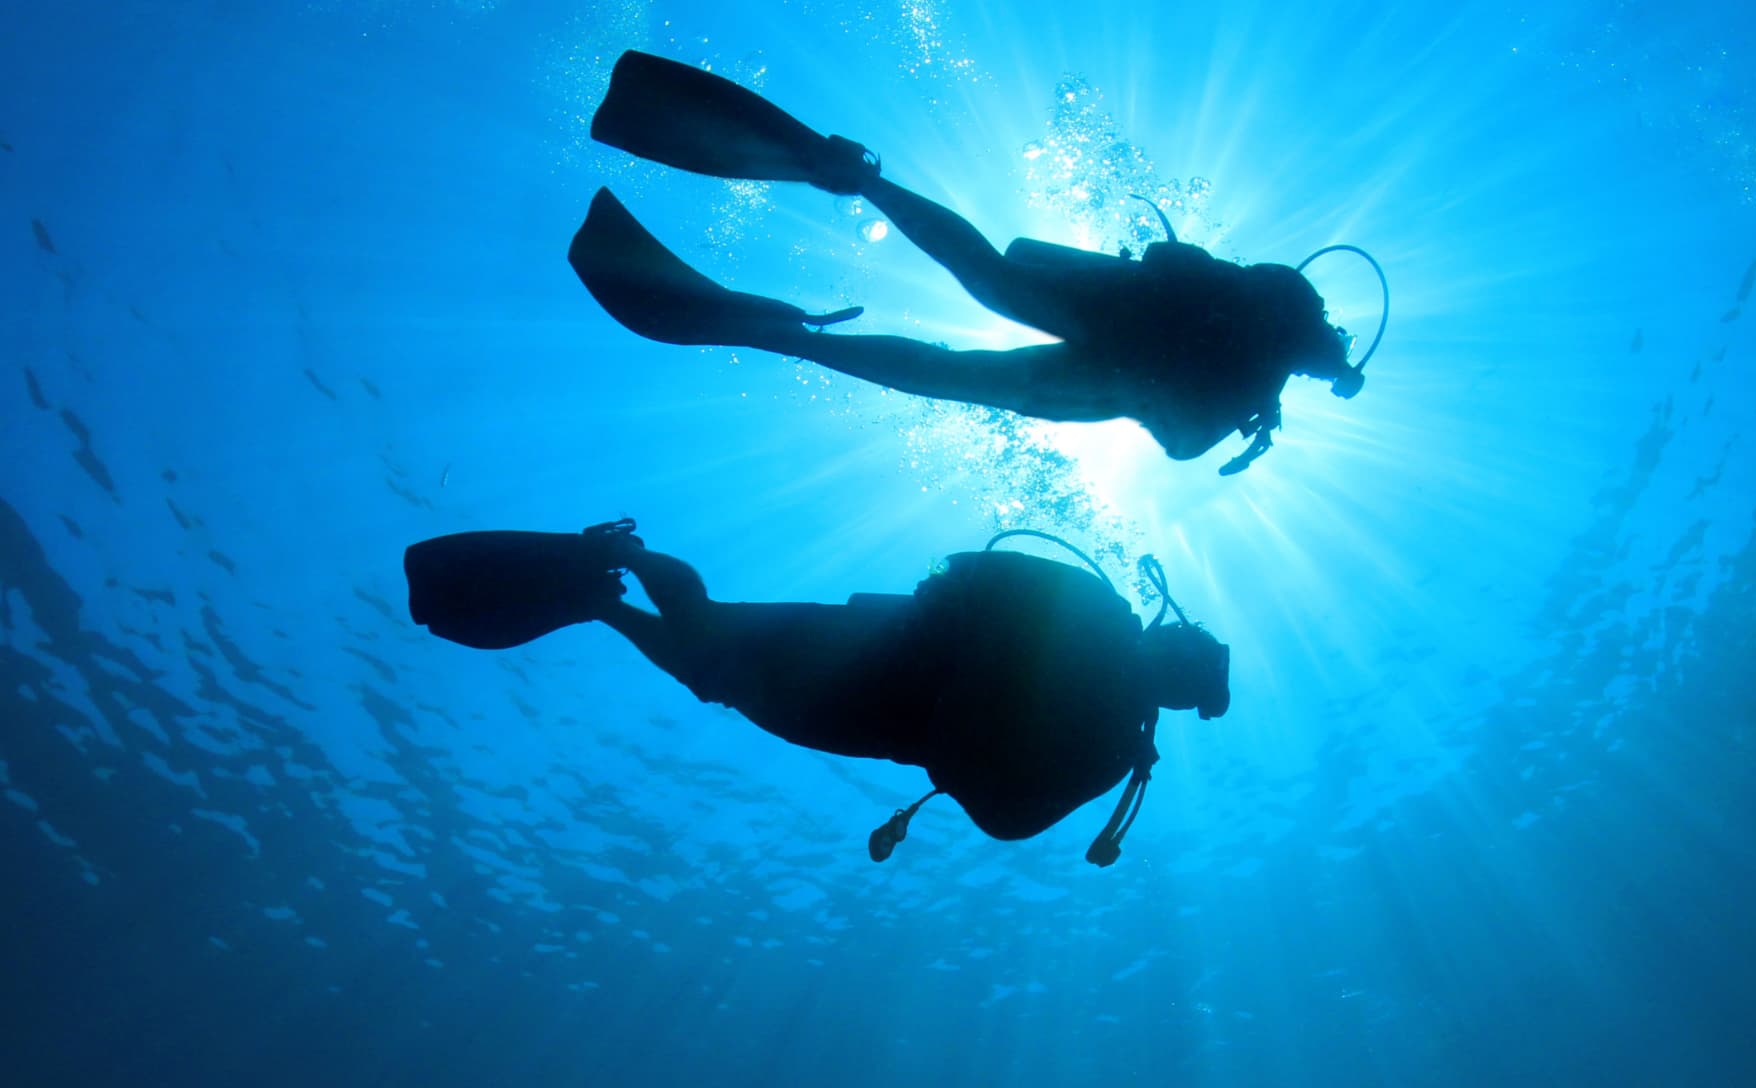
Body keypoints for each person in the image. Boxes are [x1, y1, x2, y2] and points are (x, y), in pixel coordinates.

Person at [565, 50, 1385, 474]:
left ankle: (849, 200)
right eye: (1332, 363)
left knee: (975, 307)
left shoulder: (1267, 351)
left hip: (1112, 345)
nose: (1325, 365)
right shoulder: (1271, 337)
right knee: (960, 340)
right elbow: (1179, 425)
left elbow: (1178, 419)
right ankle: (813, 296)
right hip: (1117, 342)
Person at [402, 519, 1229, 865]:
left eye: (1184, 665)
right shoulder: (1106, 676)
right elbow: (966, 572)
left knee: (710, 672)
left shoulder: (1117, 739)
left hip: (864, 694)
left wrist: (964, 707)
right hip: (864, 664)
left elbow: (1008, 819)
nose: (1170, 658)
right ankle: (623, 568)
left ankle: (604, 596)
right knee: (711, 642)